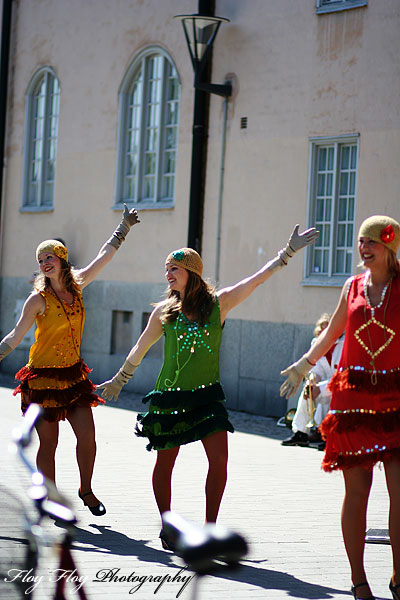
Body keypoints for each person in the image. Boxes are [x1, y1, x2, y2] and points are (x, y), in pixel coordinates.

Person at [97, 224, 318, 549]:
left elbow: (255, 280)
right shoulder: (163, 312)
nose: (168, 273)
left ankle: (211, 529)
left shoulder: (219, 304)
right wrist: (120, 379)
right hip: (170, 396)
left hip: (206, 397)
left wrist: (287, 253)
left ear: (192, 272)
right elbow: (139, 348)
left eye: (174, 268)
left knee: (219, 460)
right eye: (166, 269)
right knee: (165, 462)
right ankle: (168, 524)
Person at [280, 215, 400, 600]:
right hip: (354, 402)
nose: (364, 249)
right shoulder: (351, 287)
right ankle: (358, 580)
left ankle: (399, 577)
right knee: (357, 492)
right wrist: (302, 367)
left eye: (372, 243)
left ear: (390, 246)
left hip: (396, 400)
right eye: (361, 242)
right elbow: (332, 332)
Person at [0, 205, 139, 516]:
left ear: (61, 258)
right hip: (42, 379)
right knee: (49, 445)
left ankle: (86, 490)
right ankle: (49, 498)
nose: (44, 263)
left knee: (88, 438)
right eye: (40, 260)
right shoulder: (37, 299)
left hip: (73, 377)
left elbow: (104, 255)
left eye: (49, 257)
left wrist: (124, 227)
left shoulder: (77, 286)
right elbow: (14, 337)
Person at [281, 313, 344, 448]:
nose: (324, 334)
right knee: (307, 391)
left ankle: (330, 437)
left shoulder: (344, 345)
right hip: (325, 386)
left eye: (328, 330)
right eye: (322, 331)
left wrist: (320, 388)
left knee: (332, 397)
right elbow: (317, 369)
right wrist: (312, 382)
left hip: (341, 387)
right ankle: (301, 433)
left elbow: (342, 376)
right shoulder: (316, 344)